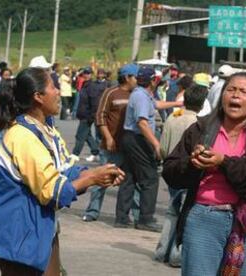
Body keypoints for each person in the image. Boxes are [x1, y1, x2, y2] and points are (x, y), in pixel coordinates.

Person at [0, 68, 125, 275]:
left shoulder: (46, 129)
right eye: (53, 87)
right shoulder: (22, 137)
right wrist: (91, 178)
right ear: (38, 96)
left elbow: (65, 169)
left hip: (40, 230)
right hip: (18, 236)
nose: (58, 92)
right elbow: (51, 192)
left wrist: (99, 174)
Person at [162, 72, 246, 275]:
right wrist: (191, 164)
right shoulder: (200, 129)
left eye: (243, 91)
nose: (235, 95)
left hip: (245, 222)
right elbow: (170, 171)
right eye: (230, 90)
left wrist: (224, 162)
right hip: (203, 218)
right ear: (222, 97)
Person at [121, 66, 182, 232]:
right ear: (153, 81)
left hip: (131, 138)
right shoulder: (141, 96)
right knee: (150, 178)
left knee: (130, 177)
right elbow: (142, 123)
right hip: (137, 139)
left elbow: (157, 104)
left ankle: (122, 216)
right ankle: (145, 219)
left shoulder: (143, 94)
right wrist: (156, 144)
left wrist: (178, 103)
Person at [154, 84, 208, 267]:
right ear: (202, 104)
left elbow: (162, 148)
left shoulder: (172, 118)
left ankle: (162, 251)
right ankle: (177, 255)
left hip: (172, 171)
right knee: (185, 213)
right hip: (189, 173)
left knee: (172, 211)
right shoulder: (199, 124)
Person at [82, 64, 141, 227]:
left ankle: (137, 216)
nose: (138, 80)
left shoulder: (138, 94)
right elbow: (100, 116)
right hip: (112, 146)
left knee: (133, 183)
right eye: (136, 77)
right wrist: (108, 137)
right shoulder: (111, 93)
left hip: (131, 147)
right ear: (127, 77)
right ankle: (92, 211)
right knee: (102, 179)